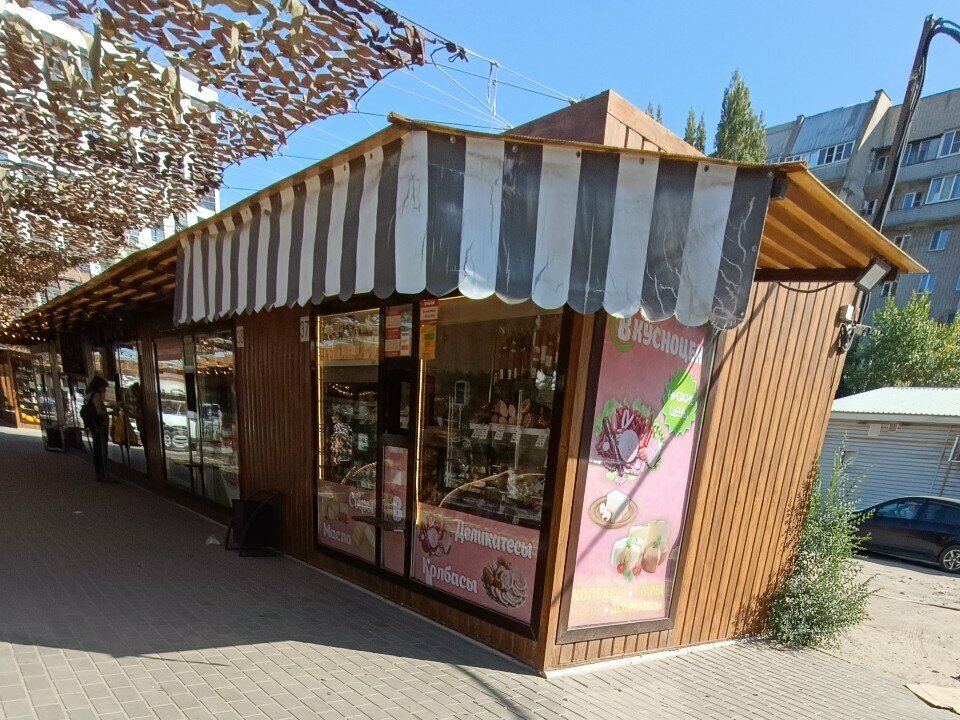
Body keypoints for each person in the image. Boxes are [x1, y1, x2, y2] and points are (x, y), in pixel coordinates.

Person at [82, 376, 111, 482]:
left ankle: (98, 473)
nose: (105, 390)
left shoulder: (88, 395)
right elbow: (99, 412)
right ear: (98, 386)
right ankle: (104, 474)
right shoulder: (96, 396)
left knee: (97, 448)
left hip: (93, 425)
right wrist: (110, 412)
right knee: (102, 449)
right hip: (100, 425)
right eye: (104, 387)